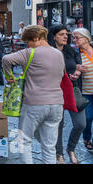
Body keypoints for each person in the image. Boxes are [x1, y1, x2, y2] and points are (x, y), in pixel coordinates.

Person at [2, 25, 64, 164]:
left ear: (35, 38)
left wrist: (9, 76)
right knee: (49, 146)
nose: (27, 45)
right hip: (57, 104)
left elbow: (6, 59)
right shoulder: (58, 54)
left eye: (28, 42)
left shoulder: (29, 53)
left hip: (34, 103)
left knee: (24, 141)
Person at [48, 25, 85, 164]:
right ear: (53, 36)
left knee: (80, 124)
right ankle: (59, 153)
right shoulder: (48, 52)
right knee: (58, 125)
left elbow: (78, 66)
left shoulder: (72, 51)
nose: (65, 36)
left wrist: (77, 73)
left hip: (72, 90)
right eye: (61, 34)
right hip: (55, 91)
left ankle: (71, 148)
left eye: (66, 34)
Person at [72, 28, 93, 153]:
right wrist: (76, 69)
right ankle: (86, 138)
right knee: (88, 117)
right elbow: (69, 65)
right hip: (86, 91)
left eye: (76, 37)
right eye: (73, 37)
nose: (74, 40)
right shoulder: (76, 53)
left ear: (85, 39)